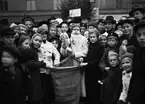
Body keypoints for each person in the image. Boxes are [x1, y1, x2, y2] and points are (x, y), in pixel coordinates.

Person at [127, 21, 145, 104]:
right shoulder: (138, 52)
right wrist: (129, 97)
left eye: (144, 34)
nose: (141, 37)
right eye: (139, 35)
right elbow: (134, 76)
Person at [85, 31, 104, 104]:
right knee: (89, 88)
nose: (92, 39)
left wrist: (88, 63)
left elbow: (98, 59)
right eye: (90, 37)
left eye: (94, 37)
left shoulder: (100, 47)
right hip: (88, 70)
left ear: (97, 37)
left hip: (96, 70)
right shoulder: (89, 46)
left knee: (95, 89)